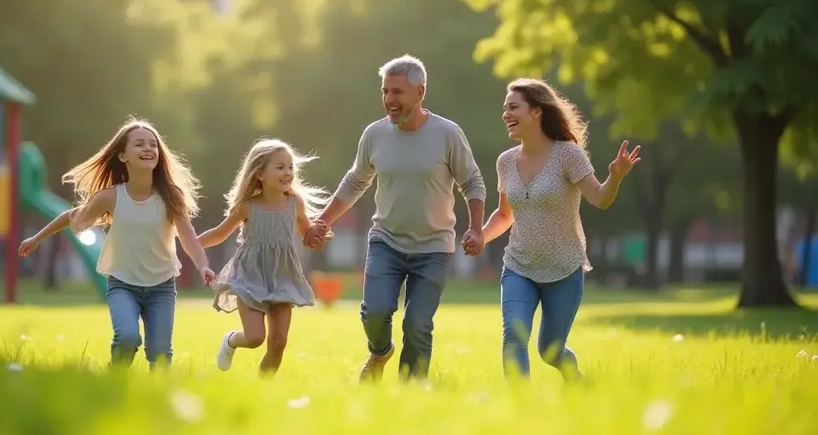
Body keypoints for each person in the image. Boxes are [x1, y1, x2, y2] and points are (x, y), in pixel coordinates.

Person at [303, 54, 487, 382]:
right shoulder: (374, 134)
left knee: (417, 323)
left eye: (397, 92)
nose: (389, 99)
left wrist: (476, 229)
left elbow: (471, 181)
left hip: (434, 247)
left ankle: (411, 390)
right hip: (386, 241)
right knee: (374, 312)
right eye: (385, 91)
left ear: (420, 93)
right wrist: (323, 221)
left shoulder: (447, 133)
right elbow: (355, 181)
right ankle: (380, 351)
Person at [20, 118, 215, 369]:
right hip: (123, 285)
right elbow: (71, 216)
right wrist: (37, 238)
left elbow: (188, 238)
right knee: (126, 337)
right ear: (122, 155)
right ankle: (116, 378)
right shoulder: (111, 197)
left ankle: (156, 399)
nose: (148, 149)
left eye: (153, 144)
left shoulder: (170, 196)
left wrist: (202, 266)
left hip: (162, 288)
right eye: (139, 144)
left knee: (159, 355)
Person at [481, 78, 640, 381]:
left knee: (551, 350)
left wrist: (615, 177)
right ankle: (520, 411)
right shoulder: (506, 162)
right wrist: (480, 237)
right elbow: (504, 215)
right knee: (514, 337)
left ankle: (577, 380)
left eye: (513, 107)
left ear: (537, 111)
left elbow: (600, 198)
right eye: (505, 108)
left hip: (564, 268)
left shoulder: (568, 155)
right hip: (518, 266)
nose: (505, 114)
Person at [197, 138, 331, 376]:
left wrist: (318, 236)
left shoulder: (295, 203)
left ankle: (262, 389)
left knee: (278, 342)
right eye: (280, 167)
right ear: (260, 174)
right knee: (255, 337)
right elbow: (219, 234)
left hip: (282, 276)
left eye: (290, 167)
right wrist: (192, 245)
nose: (288, 172)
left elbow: (307, 235)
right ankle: (230, 340)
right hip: (249, 277)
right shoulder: (247, 207)